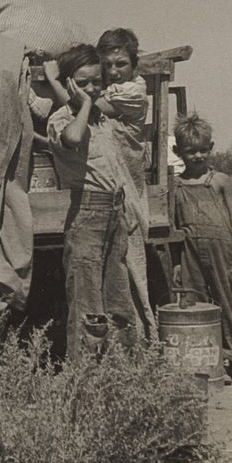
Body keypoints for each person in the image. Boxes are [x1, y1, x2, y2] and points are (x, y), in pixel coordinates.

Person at [44, 44, 139, 363]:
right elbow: (72, 138)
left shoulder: (103, 119)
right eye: (82, 82)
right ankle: (86, 382)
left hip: (114, 212)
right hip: (86, 216)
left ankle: (124, 375)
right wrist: (83, 102)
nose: (91, 88)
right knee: (88, 309)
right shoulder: (61, 119)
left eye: (96, 81)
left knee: (120, 301)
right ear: (69, 84)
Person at [172, 112, 232, 384]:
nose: (197, 156)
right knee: (196, 302)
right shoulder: (175, 186)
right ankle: (210, 362)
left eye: (202, 150)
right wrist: (176, 262)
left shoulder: (220, 180)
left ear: (211, 149)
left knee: (226, 301)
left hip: (222, 248)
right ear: (177, 151)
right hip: (189, 250)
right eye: (190, 151)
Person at [93, 27, 155, 336]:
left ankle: (146, 343)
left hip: (128, 197)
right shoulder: (106, 91)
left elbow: (88, 108)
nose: (114, 72)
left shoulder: (133, 92)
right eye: (107, 65)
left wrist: (54, 81)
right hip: (107, 195)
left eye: (121, 64)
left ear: (134, 66)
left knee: (134, 278)